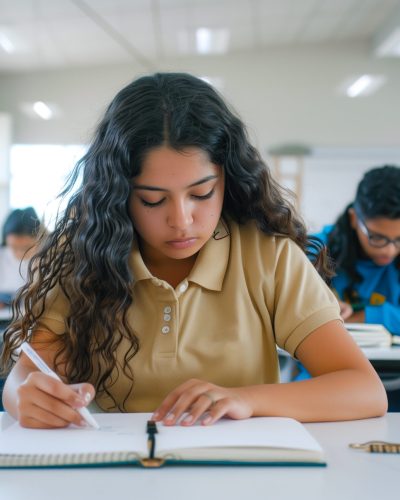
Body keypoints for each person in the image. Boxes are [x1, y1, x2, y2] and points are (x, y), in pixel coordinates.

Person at [0, 73, 386, 429]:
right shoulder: (84, 254)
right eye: (153, 200)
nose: (181, 221)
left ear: (227, 179)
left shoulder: (268, 255)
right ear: (118, 197)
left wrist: (244, 399)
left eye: (201, 193)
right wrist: (25, 398)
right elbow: (25, 378)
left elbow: (364, 389)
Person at [0, 207, 41, 307]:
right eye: (13, 247)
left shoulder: (46, 259)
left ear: (38, 239)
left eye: (25, 248)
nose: (19, 254)